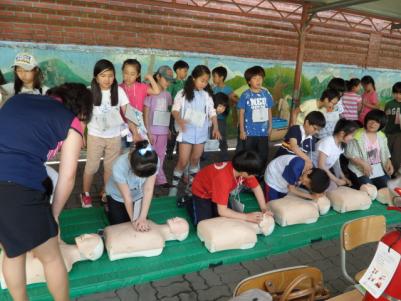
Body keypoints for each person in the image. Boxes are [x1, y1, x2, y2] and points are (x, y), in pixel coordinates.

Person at [0, 83, 93, 301]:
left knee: (13, 251)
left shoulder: (16, 100)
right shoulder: (71, 122)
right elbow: (68, 177)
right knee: (51, 257)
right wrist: (54, 215)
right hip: (18, 188)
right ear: (81, 110)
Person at [81, 59, 129, 208]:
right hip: (95, 136)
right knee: (92, 167)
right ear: (96, 77)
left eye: (110, 75)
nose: (107, 79)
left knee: (110, 168)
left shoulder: (119, 91)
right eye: (103, 75)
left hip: (114, 136)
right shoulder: (89, 92)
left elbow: (128, 111)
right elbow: (83, 116)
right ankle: (85, 193)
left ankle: (106, 193)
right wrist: (81, 135)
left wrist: (136, 131)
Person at [168, 65, 221, 197]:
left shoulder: (206, 95)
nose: (204, 83)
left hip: (201, 132)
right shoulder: (182, 93)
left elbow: (212, 111)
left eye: (206, 81)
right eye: (202, 80)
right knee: (183, 161)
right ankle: (173, 187)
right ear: (193, 79)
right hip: (186, 131)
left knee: (195, 159)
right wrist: (179, 119)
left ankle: (191, 187)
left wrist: (215, 126)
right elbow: (175, 109)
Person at [186, 150, 271, 226]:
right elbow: (222, 211)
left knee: (228, 220)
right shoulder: (224, 179)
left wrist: (264, 208)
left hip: (218, 190)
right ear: (244, 173)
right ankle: (190, 202)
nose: (254, 176)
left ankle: (211, 204)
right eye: (254, 174)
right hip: (202, 192)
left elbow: (256, 188)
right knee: (204, 224)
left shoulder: (241, 168)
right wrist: (247, 217)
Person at [105, 140, 158, 230]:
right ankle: (108, 205)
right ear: (132, 166)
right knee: (119, 226)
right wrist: (133, 221)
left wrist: (142, 217)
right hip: (117, 196)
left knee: (142, 223)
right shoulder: (119, 166)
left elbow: (148, 189)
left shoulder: (152, 161)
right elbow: (127, 197)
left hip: (138, 196)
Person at [237, 66, 273, 174]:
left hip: (263, 132)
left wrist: (270, 126)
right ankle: (247, 175)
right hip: (249, 132)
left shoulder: (266, 94)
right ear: (249, 81)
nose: (258, 80)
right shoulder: (245, 95)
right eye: (255, 78)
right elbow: (241, 113)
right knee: (249, 155)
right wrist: (242, 130)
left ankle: (260, 175)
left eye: (260, 78)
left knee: (263, 154)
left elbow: (269, 110)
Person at [143, 66, 174, 188]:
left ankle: (160, 180)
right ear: (158, 77)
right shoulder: (150, 93)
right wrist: (148, 132)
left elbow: (168, 113)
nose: (168, 82)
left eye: (170, 80)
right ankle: (146, 180)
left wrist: (169, 129)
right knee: (149, 156)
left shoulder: (168, 95)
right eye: (166, 79)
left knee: (161, 155)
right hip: (152, 131)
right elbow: (145, 113)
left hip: (163, 132)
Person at [346, 109, 393, 189]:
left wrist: (389, 162)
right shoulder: (356, 135)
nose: (372, 124)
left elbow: (386, 152)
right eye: (371, 120)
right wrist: (363, 164)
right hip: (360, 169)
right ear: (366, 120)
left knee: (389, 187)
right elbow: (349, 154)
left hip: (378, 169)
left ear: (381, 124)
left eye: (377, 122)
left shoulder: (382, 136)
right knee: (369, 189)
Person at [119, 59, 160, 142]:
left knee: (136, 151)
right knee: (122, 151)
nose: (128, 77)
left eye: (132, 74)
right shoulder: (118, 88)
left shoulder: (142, 87)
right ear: (122, 72)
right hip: (122, 126)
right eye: (126, 73)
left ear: (138, 75)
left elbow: (157, 91)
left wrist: (150, 78)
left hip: (138, 126)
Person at [314, 119, 359, 190]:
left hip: (322, 172)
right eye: (352, 135)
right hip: (314, 171)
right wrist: (336, 180)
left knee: (335, 187)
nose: (353, 138)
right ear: (342, 133)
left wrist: (343, 177)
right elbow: (321, 165)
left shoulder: (341, 145)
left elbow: (336, 163)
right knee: (332, 187)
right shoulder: (328, 142)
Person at [264, 155, 330, 201]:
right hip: (273, 178)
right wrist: (311, 196)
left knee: (281, 199)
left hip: (285, 179)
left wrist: (318, 191)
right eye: (307, 183)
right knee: (272, 204)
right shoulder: (295, 168)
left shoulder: (311, 171)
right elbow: (292, 189)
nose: (304, 184)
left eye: (307, 185)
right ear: (309, 172)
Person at [212, 66, 238, 161]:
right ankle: (206, 156)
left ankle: (225, 157)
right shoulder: (214, 89)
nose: (213, 78)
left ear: (221, 77)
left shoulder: (228, 89)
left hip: (221, 119)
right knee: (211, 136)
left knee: (222, 137)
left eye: (214, 76)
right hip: (212, 118)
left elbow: (235, 99)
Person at [166, 60, 190, 159]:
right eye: (185, 71)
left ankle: (181, 152)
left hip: (184, 113)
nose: (186, 73)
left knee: (183, 132)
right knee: (173, 133)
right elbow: (168, 98)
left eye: (187, 71)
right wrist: (168, 112)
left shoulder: (187, 84)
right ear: (178, 70)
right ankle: (169, 152)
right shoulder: (172, 83)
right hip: (173, 113)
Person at [384, 82, 401, 176]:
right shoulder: (389, 104)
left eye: (400, 93)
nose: (398, 95)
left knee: (396, 155)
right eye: (396, 93)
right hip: (389, 132)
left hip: (399, 134)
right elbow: (385, 118)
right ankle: (387, 173)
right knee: (387, 154)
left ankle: (395, 173)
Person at [212, 92, 230, 161]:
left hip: (221, 121)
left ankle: (224, 157)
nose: (222, 109)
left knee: (222, 139)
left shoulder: (222, 117)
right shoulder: (209, 112)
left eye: (224, 107)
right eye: (220, 106)